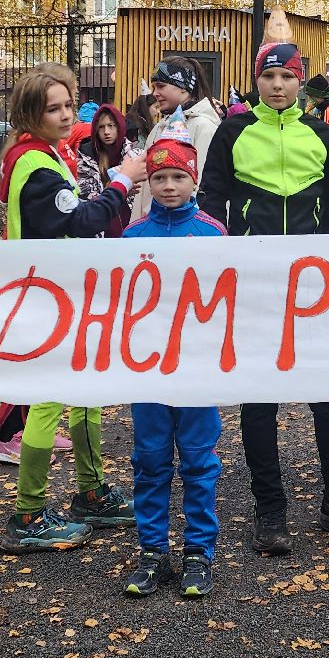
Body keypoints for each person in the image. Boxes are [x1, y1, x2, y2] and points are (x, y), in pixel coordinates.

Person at [199, 11, 329, 554]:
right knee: (259, 401)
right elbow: (212, 199)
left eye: (287, 76)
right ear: (256, 80)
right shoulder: (233, 132)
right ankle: (270, 509)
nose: (278, 85)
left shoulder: (321, 134)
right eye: (269, 75)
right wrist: (225, 252)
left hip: (314, 288)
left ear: (300, 80)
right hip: (255, 286)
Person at [0, 63, 146, 554]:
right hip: (49, 296)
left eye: (68, 105)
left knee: (86, 392)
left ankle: (91, 492)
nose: (65, 116)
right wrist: (121, 182)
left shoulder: (44, 155)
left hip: (65, 291)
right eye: (53, 109)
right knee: (48, 400)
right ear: (30, 114)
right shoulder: (35, 165)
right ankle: (29, 513)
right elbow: (80, 221)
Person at [119, 110, 227, 599]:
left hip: (198, 369)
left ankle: (199, 552)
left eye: (177, 177)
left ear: (193, 179)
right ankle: (152, 551)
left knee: (200, 461)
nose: (168, 186)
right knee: (150, 459)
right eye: (159, 177)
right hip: (148, 370)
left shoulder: (213, 233)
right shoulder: (132, 236)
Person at [133, 57, 222, 221]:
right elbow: (144, 186)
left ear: (183, 87)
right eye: (154, 87)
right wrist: (137, 224)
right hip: (152, 225)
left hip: (184, 229)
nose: (155, 93)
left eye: (161, 86)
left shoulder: (204, 127)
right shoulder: (159, 127)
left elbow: (203, 187)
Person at [75, 104, 140, 234]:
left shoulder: (133, 155)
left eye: (111, 126)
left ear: (119, 127)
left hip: (130, 222)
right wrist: (117, 188)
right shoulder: (86, 157)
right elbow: (86, 196)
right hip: (101, 224)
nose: (106, 132)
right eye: (101, 127)